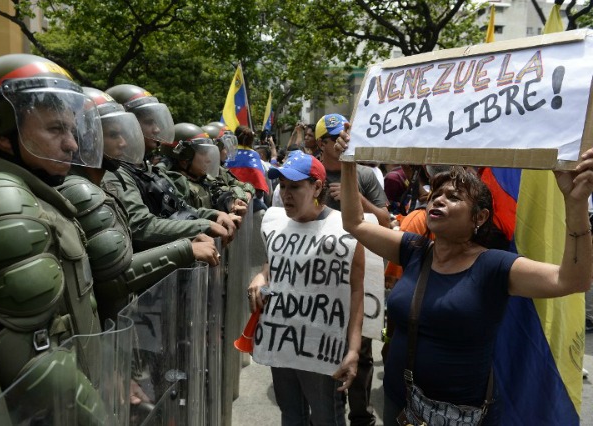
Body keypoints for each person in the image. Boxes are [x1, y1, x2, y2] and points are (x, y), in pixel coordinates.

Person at [334, 132, 593, 425]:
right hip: (400, 403)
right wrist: (348, 162)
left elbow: (572, 280)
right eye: (436, 194)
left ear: (480, 217)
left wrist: (576, 204)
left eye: (453, 197)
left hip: (460, 416)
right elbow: (354, 222)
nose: (439, 200)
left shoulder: (493, 267)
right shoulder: (413, 250)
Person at [0, 54, 109, 418]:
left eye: (72, 130)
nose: (72, 143)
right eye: (56, 129)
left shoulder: (36, 193)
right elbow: (36, 370)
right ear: (3, 133)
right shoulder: (5, 201)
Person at [58, 87, 220, 322]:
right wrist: (187, 246)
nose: (123, 142)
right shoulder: (85, 187)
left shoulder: (117, 176)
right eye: (113, 135)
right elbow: (114, 273)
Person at [247, 150, 365, 426]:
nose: (286, 194)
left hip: (322, 351)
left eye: (295, 186)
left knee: (327, 418)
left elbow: (357, 290)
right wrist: (261, 277)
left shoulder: (344, 230)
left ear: (317, 186)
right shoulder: (275, 222)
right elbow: (275, 262)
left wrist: (354, 350)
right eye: (283, 186)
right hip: (283, 346)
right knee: (291, 415)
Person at [316, 113, 389, 426]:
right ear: (321, 143)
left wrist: (356, 199)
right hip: (321, 279)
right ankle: (326, 413)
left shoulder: (367, 175)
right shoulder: (309, 172)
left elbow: (384, 220)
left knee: (364, 351)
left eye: (346, 134)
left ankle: (361, 415)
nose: (343, 140)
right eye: (335, 137)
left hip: (362, 275)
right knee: (322, 348)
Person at [101, 84, 235, 250]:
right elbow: (140, 227)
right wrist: (203, 226)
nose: (157, 129)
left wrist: (214, 215)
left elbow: (180, 208)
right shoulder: (114, 173)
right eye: (149, 122)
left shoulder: (147, 169)